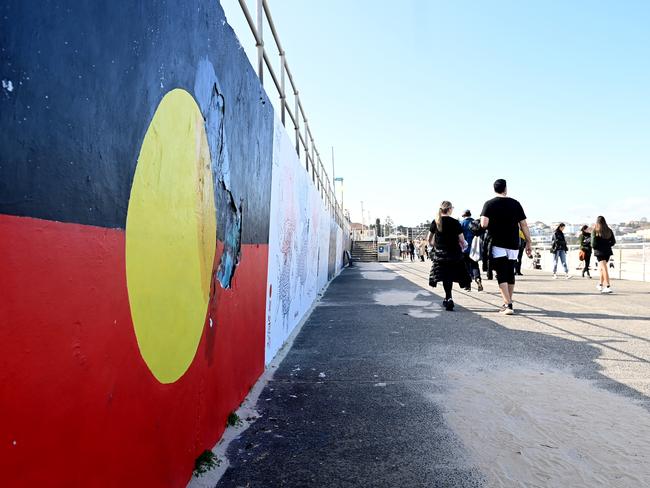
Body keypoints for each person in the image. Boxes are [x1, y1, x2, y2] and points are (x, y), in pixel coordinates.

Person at [480, 179, 532, 315]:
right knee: (510, 272)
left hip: (497, 243)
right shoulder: (515, 203)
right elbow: (524, 224)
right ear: (505, 188)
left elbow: (484, 223)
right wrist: (529, 242)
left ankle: (508, 304)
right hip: (514, 243)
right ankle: (508, 301)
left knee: (501, 273)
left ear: (494, 189)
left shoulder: (489, 204)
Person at [427, 201, 470, 311]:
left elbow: (429, 240)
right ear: (449, 209)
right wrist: (465, 245)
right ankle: (450, 296)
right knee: (454, 275)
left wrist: (436, 246)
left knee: (446, 277)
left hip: (441, 254)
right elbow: (462, 240)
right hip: (454, 254)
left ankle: (448, 298)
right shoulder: (455, 222)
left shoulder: (436, 222)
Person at [460, 210, 483, 291]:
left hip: (465, 248)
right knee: (475, 265)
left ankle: (468, 286)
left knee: (466, 267)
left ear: (463, 216)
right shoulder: (475, 223)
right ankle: (478, 279)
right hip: (474, 248)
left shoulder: (462, 223)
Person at [592, 216, 616, 294]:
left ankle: (608, 286)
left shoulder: (595, 230)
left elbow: (593, 244)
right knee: (603, 268)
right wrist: (607, 245)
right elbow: (613, 242)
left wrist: (596, 247)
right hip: (608, 251)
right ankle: (600, 284)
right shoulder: (609, 230)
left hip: (599, 252)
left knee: (604, 268)